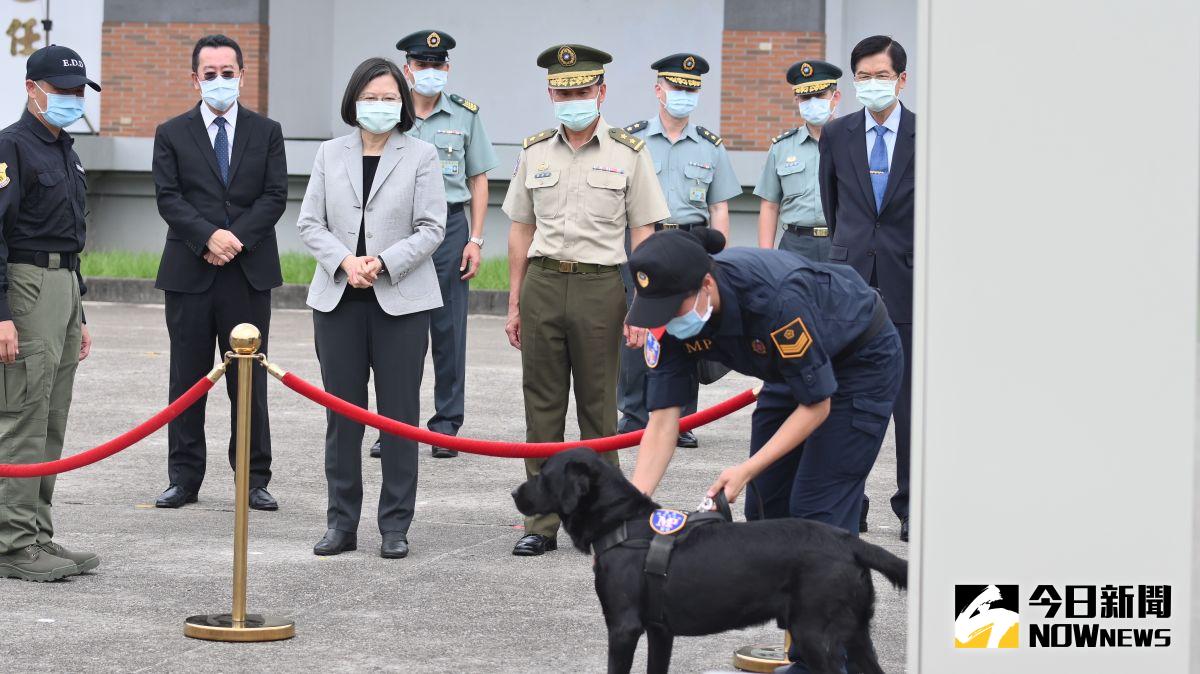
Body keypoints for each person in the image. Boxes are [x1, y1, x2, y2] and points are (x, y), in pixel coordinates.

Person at [625, 228, 902, 674]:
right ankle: (821, 648)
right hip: (789, 371)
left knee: (817, 514)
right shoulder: (669, 319)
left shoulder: (774, 299)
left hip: (859, 361)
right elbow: (661, 423)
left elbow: (817, 404)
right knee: (767, 511)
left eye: (673, 308)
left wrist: (746, 468)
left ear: (706, 285)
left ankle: (821, 661)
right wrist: (629, 514)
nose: (666, 320)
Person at [502, 44, 669, 557]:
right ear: (551, 95)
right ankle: (541, 521)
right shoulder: (534, 152)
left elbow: (644, 235)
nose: (572, 100)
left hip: (600, 288)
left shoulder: (628, 153)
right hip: (543, 282)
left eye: (581, 91)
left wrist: (643, 307)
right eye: (563, 92)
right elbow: (520, 230)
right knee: (542, 408)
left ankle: (606, 517)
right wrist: (514, 301)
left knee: (598, 410)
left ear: (601, 91)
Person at [297, 57, 446, 560]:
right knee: (343, 417)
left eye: (388, 98)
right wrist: (346, 261)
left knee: (399, 416)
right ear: (353, 101)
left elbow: (432, 227)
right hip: (339, 297)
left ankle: (395, 525)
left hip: (401, 301)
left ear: (402, 103)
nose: (379, 106)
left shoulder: (421, 154)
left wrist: (382, 262)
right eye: (370, 98)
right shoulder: (329, 153)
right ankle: (341, 523)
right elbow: (310, 222)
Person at [151, 34, 287, 512]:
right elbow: (169, 197)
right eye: (210, 74)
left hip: (247, 273)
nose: (220, 81)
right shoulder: (171, 132)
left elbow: (274, 196)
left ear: (242, 75)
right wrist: (208, 237)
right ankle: (184, 478)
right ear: (195, 79)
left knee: (248, 381)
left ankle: (253, 478)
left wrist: (234, 239)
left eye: (228, 73)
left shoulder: (267, 132)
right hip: (190, 272)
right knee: (187, 380)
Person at [362, 30, 498, 460]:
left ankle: (446, 427)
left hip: (450, 229)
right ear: (408, 69)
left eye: (438, 65)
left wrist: (475, 238)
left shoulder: (465, 115)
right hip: (397, 231)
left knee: (448, 330)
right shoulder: (389, 112)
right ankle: (394, 425)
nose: (430, 72)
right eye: (422, 65)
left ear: (447, 68)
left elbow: (479, 179)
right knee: (398, 333)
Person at [0, 44, 99, 582]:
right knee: (23, 415)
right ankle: (11, 543)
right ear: (31, 89)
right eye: (61, 90)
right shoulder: (11, 147)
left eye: (78, 91)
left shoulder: (65, 149)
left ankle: (37, 532)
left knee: (52, 416)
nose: (72, 99)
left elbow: (69, 234)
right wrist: (1, 314)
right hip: (26, 285)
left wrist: (78, 311)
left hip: (62, 285)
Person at [616, 52, 741, 450]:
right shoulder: (632, 140)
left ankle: (683, 418)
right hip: (645, 239)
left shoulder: (710, 146)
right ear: (659, 90)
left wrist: (717, 260)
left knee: (688, 329)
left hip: (690, 243)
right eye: (676, 87)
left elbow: (719, 207)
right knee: (638, 324)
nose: (683, 94)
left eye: (691, 89)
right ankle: (634, 416)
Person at [818, 35, 915, 542]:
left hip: (907, 281)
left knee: (909, 404)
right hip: (849, 284)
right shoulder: (837, 134)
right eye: (863, 77)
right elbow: (833, 207)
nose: (872, 84)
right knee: (842, 400)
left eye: (881, 76)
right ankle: (847, 503)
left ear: (902, 80)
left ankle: (911, 506)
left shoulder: (927, 135)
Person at [754, 59, 843, 262]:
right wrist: (766, 258)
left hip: (840, 242)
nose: (813, 102)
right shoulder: (782, 147)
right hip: (795, 245)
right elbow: (769, 206)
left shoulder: (853, 143)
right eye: (805, 97)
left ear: (835, 97)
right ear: (797, 100)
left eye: (820, 95)